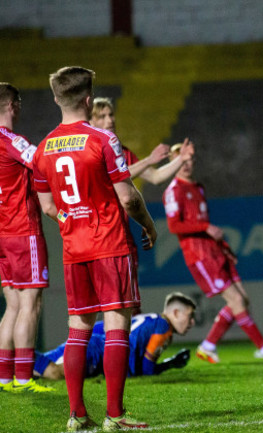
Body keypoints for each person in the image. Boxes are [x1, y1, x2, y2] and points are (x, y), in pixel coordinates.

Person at [33, 66, 157, 431]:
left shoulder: (43, 148)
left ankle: (76, 416)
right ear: (89, 100)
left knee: (78, 329)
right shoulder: (102, 140)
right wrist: (148, 225)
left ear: (57, 99)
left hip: (74, 249)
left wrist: (75, 223)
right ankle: (115, 416)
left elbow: (47, 207)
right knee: (117, 325)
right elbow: (128, 198)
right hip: (110, 245)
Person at [164, 143, 263, 364]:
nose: (186, 164)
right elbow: (174, 226)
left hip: (215, 250)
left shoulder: (198, 187)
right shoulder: (173, 190)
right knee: (237, 301)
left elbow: (203, 224)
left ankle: (208, 346)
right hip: (199, 255)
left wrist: (223, 247)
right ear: (173, 163)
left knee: (242, 299)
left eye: (189, 160)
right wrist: (205, 228)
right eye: (181, 161)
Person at [90, 97, 194, 314]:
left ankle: (129, 349)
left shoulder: (121, 151)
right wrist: (148, 159)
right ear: (90, 121)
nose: (110, 120)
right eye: (102, 116)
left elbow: (155, 176)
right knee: (113, 310)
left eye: (111, 114)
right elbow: (110, 180)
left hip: (120, 236)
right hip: (100, 238)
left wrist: (180, 160)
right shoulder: (90, 151)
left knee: (130, 307)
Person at [0, 83, 52, 393]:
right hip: (22, 231)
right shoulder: (11, 141)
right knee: (30, 305)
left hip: (2, 234)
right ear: (13, 106)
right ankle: (23, 378)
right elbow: (42, 162)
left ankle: (5, 378)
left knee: (13, 307)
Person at [34, 292, 195, 380]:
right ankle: (16, 353)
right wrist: (170, 364)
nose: (192, 322)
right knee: (54, 373)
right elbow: (147, 369)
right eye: (190, 316)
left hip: (98, 347)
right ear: (175, 313)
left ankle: (15, 361)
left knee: (37, 370)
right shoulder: (163, 328)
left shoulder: (154, 320)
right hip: (98, 351)